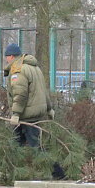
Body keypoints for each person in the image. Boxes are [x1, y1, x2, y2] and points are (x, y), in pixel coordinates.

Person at [4, 43, 64, 179]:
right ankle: (15, 172)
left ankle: (58, 172)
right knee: (17, 143)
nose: (6, 60)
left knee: (35, 146)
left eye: (7, 57)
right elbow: (42, 91)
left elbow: (20, 94)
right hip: (34, 113)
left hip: (25, 116)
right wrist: (49, 108)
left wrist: (15, 114)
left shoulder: (18, 70)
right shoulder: (34, 68)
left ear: (11, 56)